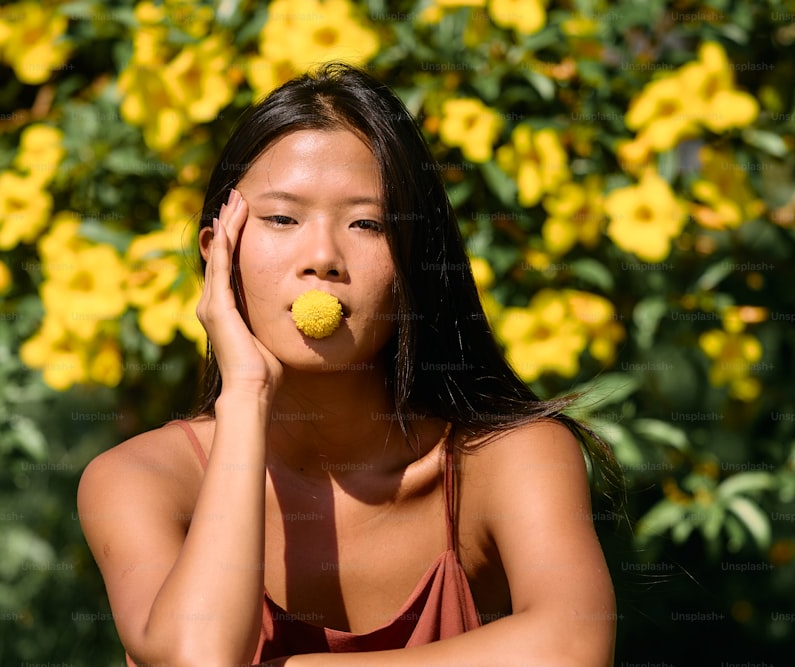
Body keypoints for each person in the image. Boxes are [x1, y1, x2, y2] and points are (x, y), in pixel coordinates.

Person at [78, 62, 620, 666]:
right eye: (282, 218)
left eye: (366, 223)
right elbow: (195, 657)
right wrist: (247, 394)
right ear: (217, 255)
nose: (322, 258)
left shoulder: (507, 459)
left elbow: (574, 648)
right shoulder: (141, 480)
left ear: (413, 260)